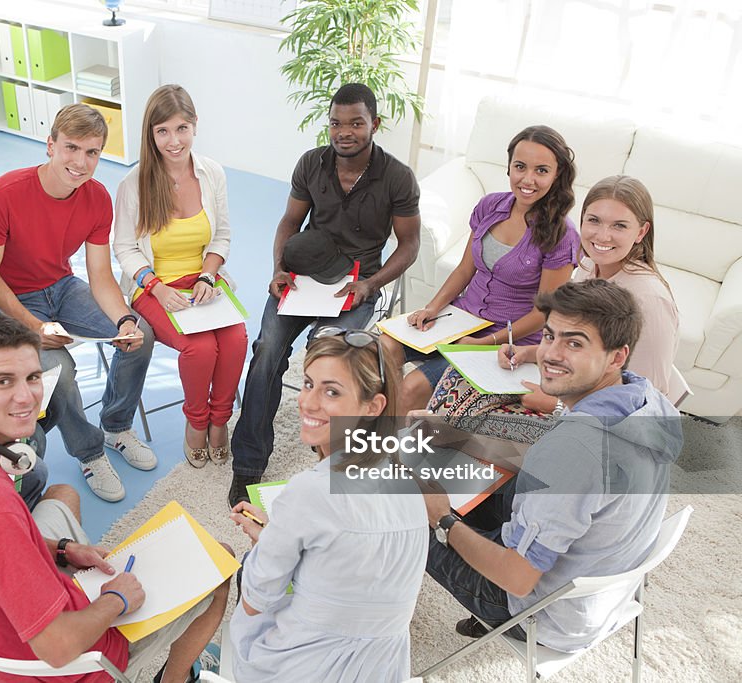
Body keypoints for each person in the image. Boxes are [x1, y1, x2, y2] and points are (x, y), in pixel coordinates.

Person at [0, 314, 231, 683]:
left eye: (32, 377)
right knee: (219, 558)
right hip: (65, 665)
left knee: (62, 494)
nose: (26, 396)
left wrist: (62, 549)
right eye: (3, 382)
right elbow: (58, 648)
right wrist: (116, 600)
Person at [422, 279, 682, 652]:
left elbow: (517, 579)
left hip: (540, 612)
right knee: (479, 471)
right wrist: (453, 436)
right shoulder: (646, 398)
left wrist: (442, 519)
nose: (550, 354)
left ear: (616, 356)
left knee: (402, 509)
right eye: (549, 336)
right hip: (601, 594)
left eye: (574, 343)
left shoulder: (574, 454)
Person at [229, 83, 422, 504]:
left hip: (358, 283)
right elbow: (288, 223)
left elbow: (409, 245)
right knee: (266, 353)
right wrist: (279, 270)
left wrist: (371, 285)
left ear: (375, 123)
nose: (344, 131)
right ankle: (247, 466)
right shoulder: (311, 164)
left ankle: (330, 466)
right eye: (336, 122)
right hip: (305, 277)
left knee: (330, 361)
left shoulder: (398, 177)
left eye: (356, 122)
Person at [0, 103, 156, 503]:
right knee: (60, 368)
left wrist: (124, 319)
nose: (81, 162)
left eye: (92, 152)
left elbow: (101, 275)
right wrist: (33, 326)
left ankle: (116, 426)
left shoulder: (96, 198)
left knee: (141, 333)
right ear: (50, 145)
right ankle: (89, 453)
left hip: (60, 286)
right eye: (72, 148)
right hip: (12, 300)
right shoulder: (4, 194)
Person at [228, 327, 428, 682]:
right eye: (308, 383)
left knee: (244, 569)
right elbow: (351, 564)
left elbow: (255, 602)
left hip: (307, 666)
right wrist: (278, 535)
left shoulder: (308, 491)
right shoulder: (408, 472)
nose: (308, 402)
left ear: (373, 406)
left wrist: (267, 548)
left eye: (331, 391)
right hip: (382, 667)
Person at [429, 175, 683, 442]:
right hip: (570, 387)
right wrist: (527, 352)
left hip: (606, 431)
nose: (602, 236)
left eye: (619, 225)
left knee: (467, 423)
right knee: (457, 385)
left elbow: (642, 406)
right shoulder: (587, 266)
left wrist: (557, 406)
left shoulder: (650, 302)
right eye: (594, 220)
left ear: (641, 232)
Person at [395, 125, 580, 415]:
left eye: (541, 170)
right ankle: (381, 424)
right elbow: (465, 269)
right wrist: (432, 308)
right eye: (520, 167)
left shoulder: (563, 235)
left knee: (411, 388)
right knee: (380, 349)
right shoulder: (490, 206)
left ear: (557, 175)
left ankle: (396, 446)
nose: (528, 179)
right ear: (509, 168)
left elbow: (545, 313)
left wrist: (484, 342)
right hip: (460, 319)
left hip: (507, 342)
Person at [113, 84, 247, 467]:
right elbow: (124, 247)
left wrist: (207, 277)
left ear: (195, 126)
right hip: (154, 287)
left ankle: (220, 422)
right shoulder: (134, 184)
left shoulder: (212, 174)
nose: (174, 141)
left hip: (202, 280)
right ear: (150, 134)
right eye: (163, 131)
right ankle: (196, 423)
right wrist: (155, 288)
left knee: (235, 339)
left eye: (182, 128)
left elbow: (221, 235)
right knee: (200, 347)